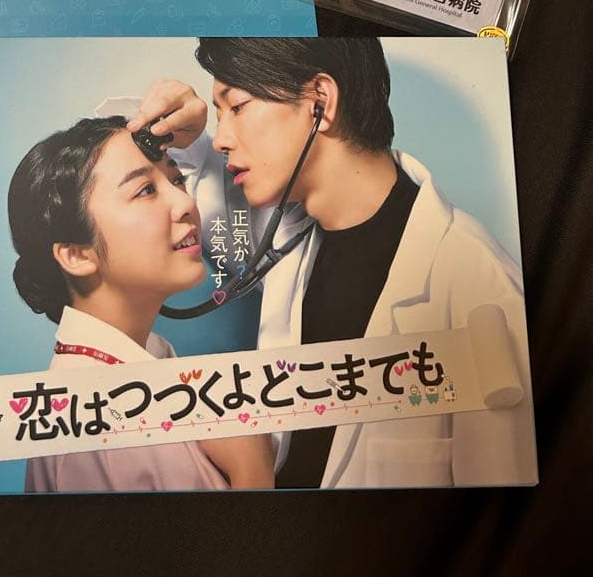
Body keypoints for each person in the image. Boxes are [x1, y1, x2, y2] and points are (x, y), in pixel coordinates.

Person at [167, 37, 536, 489]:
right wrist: (181, 135)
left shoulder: (480, 287)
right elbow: (201, 204)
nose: (222, 138)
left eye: (237, 107)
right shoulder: (286, 239)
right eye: (218, 114)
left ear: (320, 102)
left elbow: (503, 507)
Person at [9, 115, 274, 492]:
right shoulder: (92, 420)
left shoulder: (129, 378)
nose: (185, 202)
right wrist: (253, 470)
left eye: (176, 179)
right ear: (76, 254)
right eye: (146, 190)